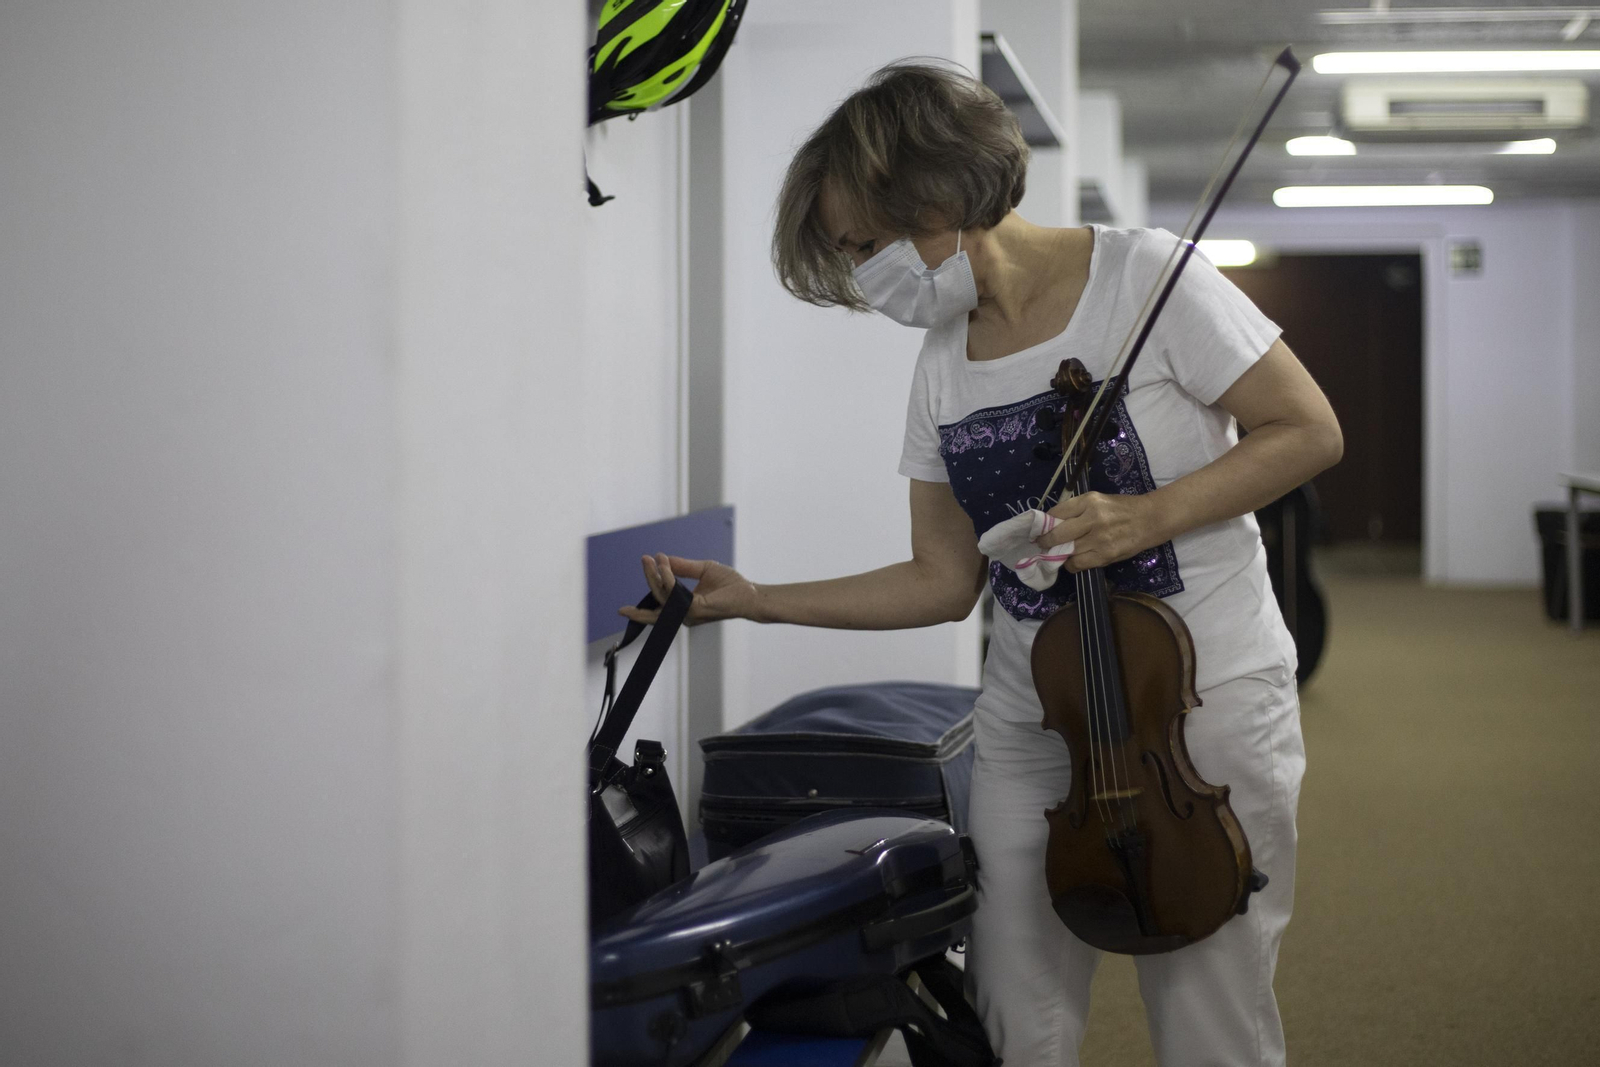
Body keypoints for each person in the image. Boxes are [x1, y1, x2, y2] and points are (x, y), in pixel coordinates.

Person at [621, 61, 1342, 1067]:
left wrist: (1148, 515)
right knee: (1012, 991)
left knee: (1206, 984)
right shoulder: (942, 365)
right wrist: (756, 601)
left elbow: (1305, 430)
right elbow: (942, 579)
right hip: (1034, 705)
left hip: (1199, 694)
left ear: (937, 196)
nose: (867, 275)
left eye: (865, 244)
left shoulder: (1148, 276)